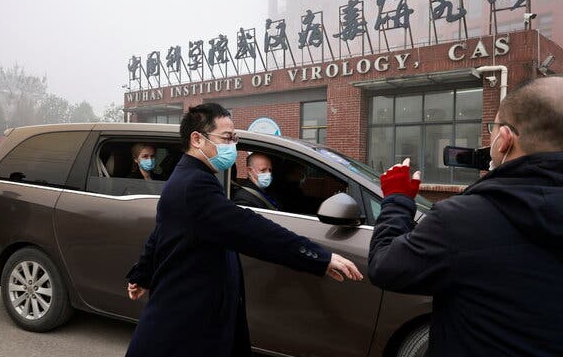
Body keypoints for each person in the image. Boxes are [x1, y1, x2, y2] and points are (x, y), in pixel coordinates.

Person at [125, 103, 363, 357]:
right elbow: (250, 230)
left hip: (195, 306)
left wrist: (142, 274)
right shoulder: (194, 184)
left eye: (234, 138)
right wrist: (320, 257)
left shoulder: (191, 177)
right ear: (197, 139)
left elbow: (161, 231)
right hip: (189, 313)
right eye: (227, 138)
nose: (232, 146)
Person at [368, 76, 563, 357]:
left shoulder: (463, 220)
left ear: (505, 138)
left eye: (492, 130)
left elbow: (385, 266)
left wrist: (397, 201)